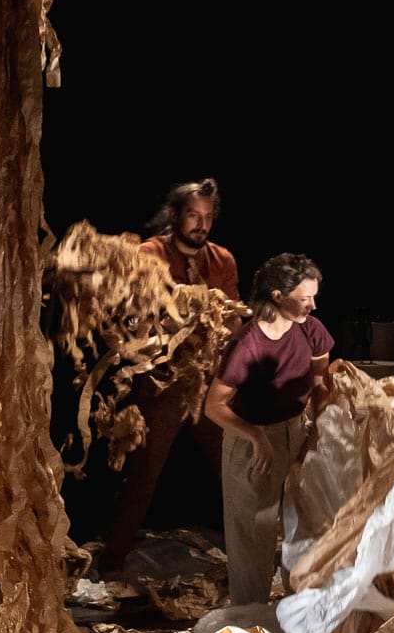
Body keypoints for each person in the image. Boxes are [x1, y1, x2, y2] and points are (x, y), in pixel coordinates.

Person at [100, 177, 241, 577]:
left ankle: (257, 555)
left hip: (207, 384)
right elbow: (134, 316)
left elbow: (232, 320)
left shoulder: (222, 260)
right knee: (142, 475)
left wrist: (220, 326)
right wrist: (175, 312)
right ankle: (112, 563)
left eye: (207, 217)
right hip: (162, 383)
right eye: (193, 215)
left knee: (234, 469)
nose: (201, 224)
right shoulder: (150, 254)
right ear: (176, 216)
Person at [204, 252, 333, 605]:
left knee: (305, 528)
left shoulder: (310, 329)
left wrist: (319, 432)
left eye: (314, 296)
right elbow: (214, 406)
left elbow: (320, 382)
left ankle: (301, 614)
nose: (313, 305)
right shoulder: (248, 345)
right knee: (253, 534)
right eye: (305, 298)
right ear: (278, 295)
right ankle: (250, 618)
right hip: (253, 441)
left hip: (299, 431)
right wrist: (255, 436)